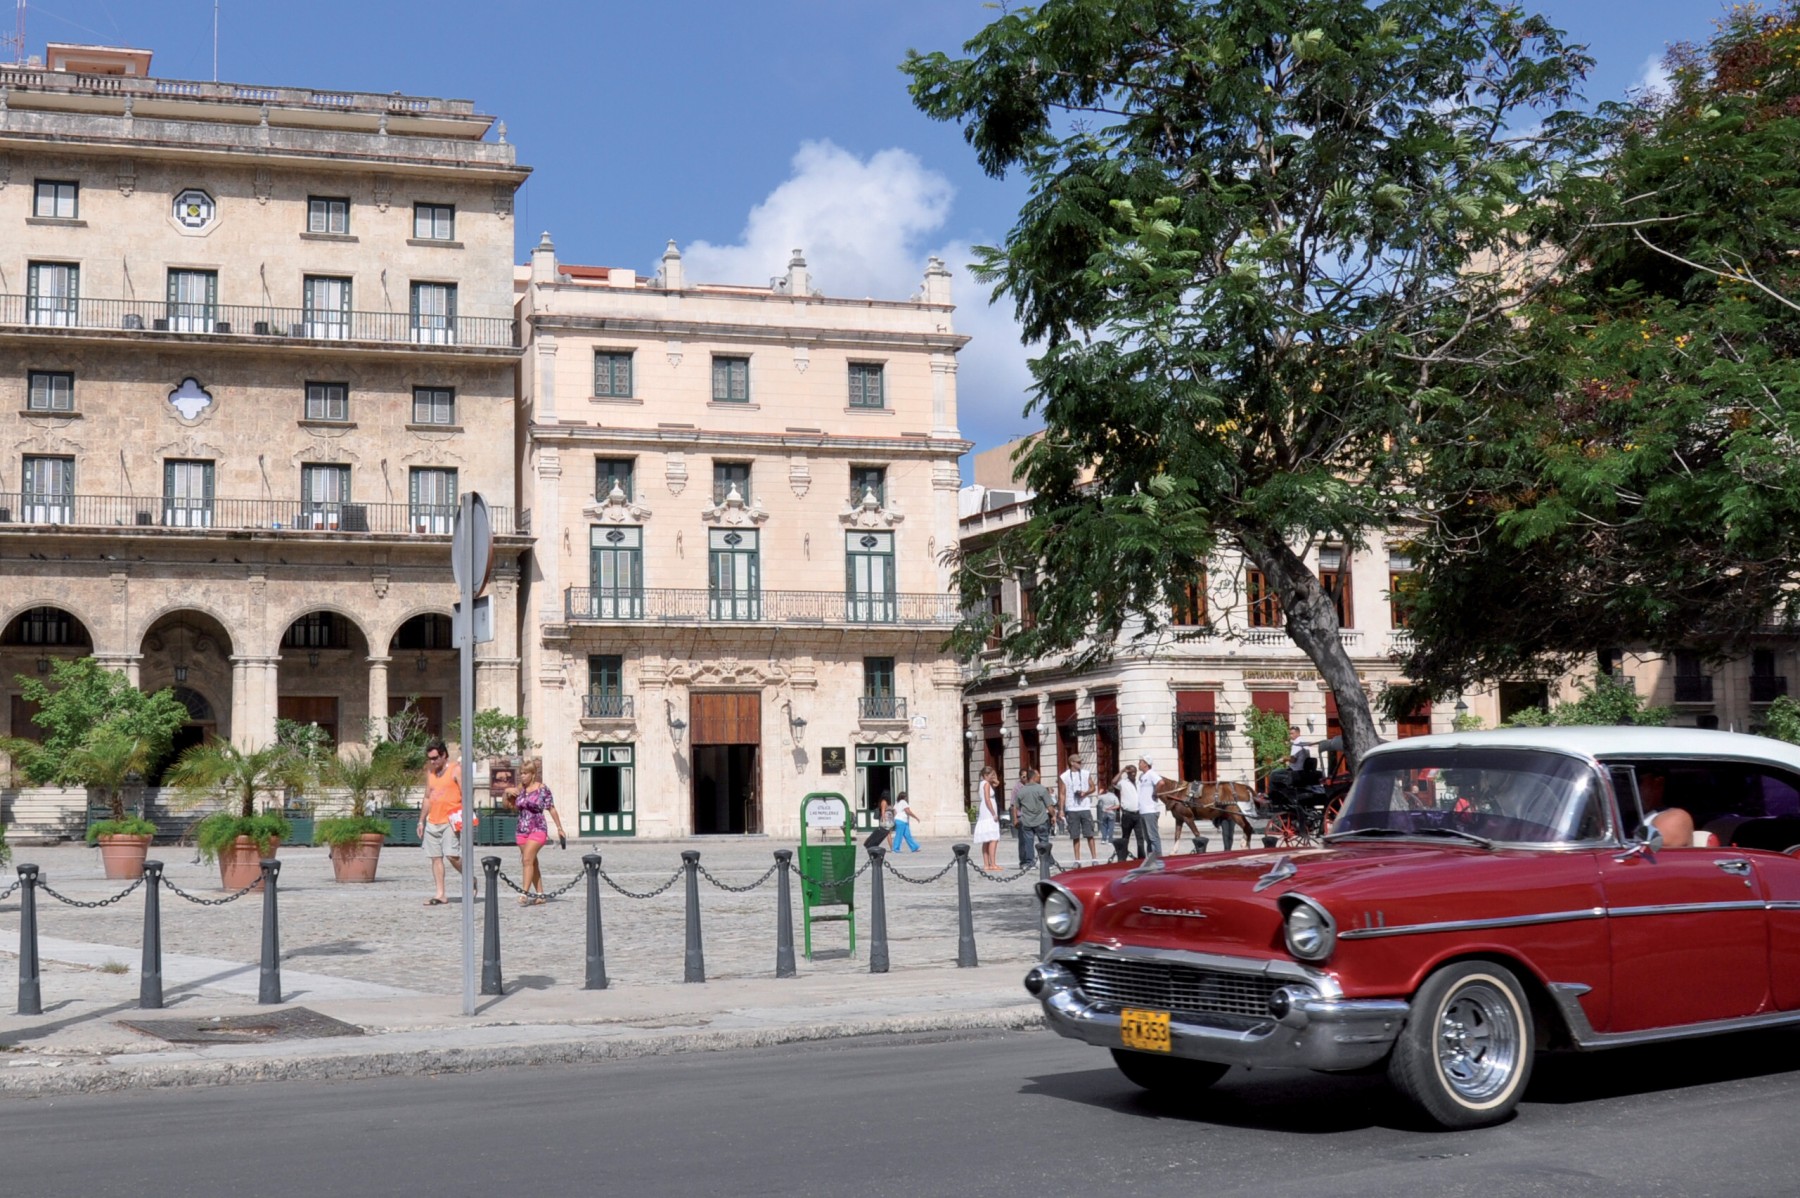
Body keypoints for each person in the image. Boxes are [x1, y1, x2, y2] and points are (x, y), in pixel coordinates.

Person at [418, 738, 472, 905]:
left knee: (452, 855)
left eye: (435, 758)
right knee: (435, 857)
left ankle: (469, 877)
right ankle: (440, 893)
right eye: (430, 759)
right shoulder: (430, 773)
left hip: (450, 820)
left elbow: (466, 795)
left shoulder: (456, 770)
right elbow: (427, 797)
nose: (432, 762)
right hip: (433, 820)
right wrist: (421, 821)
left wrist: (465, 815)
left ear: (444, 756)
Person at [505, 757, 566, 905]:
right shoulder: (520, 789)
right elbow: (509, 806)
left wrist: (559, 828)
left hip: (538, 828)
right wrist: (506, 792)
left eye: (525, 773)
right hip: (521, 829)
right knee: (532, 862)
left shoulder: (542, 789)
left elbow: (551, 808)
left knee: (526, 860)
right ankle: (540, 894)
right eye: (521, 773)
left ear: (533, 774)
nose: (522, 776)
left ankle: (524, 893)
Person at [1636, 767, 1694, 848]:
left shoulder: (1676, 817)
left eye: (1638, 782)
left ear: (1658, 783)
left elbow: (1657, 855)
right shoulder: (1642, 817)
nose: (1631, 787)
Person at [1059, 753, 1098, 864]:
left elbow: (1093, 787)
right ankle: (1077, 859)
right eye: (1078, 762)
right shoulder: (1065, 776)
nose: (1081, 764)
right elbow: (1062, 793)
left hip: (1084, 807)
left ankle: (1094, 858)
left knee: (1089, 833)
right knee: (1075, 835)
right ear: (1072, 763)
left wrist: (1085, 793)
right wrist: (1061, 809)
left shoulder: (1086, 773)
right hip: (1071, 808)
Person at [1014, 768, 1053, 868]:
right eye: (1038, 776)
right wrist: (1054, 815)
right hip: (1041, 820)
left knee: (1028, 843)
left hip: (1027, 821)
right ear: (1034, 777)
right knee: (1044, 841)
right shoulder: (1041, 789)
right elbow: (1049, 806)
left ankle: (1029, 863)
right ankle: (1047, 862)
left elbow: (1015, 806)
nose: (1039, 777)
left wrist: (1015, 819)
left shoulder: (1021, 791)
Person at [1134, 755, 1166, 857]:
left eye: (1140, 762)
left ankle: (1159, 857)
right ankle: (1151, 858)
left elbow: (1161, 782)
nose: (1138, 764)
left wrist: (1155, 792)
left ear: (1146, 764)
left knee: (1153, 836)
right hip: (1143, 810)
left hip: (1150, 810)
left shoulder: (1151, 774)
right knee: (1147, 838)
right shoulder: (1142, 777)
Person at [973, 767, 1002, 871]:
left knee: (986, 839)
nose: (993, 777)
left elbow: (997, 783)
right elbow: (987, 799)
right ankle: (993, 863)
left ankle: (987, 864)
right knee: (993, 838)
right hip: (988, 812)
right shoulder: (986, 784)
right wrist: (993, 813)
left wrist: (994, 778)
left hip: (985, 811)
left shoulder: (983, 783)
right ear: (986, 775)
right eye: (991, 775)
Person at [1114, 763, 1144, 858]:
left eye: (1134, 772)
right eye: (1131, 772)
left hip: (1138, 814)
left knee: (1140, 838)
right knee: (1125, 838)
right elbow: (1113, 782)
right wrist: (1122, 771)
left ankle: (1141, 858)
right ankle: (1122, 857)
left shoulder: (1139, 783)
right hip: (1127, 815)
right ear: (1128, 773)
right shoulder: (1123, 782)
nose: (1133, 774)